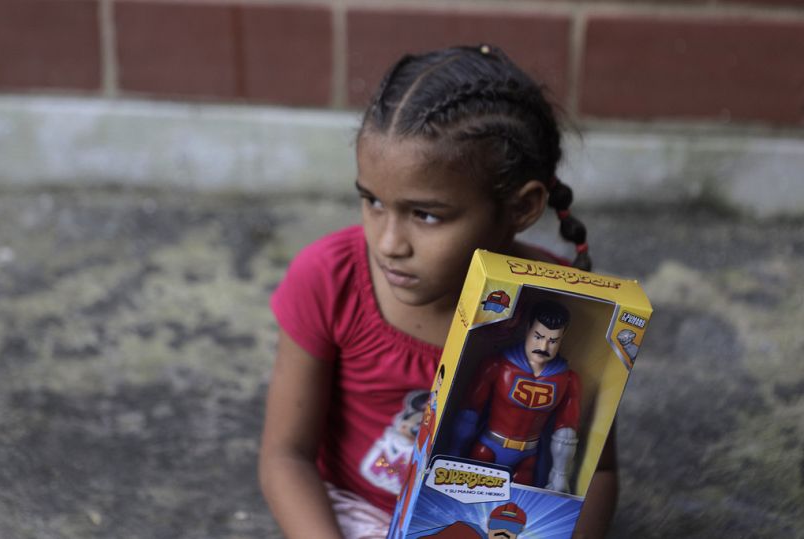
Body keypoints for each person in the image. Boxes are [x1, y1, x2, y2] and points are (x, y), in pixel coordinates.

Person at [258, 44, 617, 539]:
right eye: (372, 201)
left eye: (426, 215)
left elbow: (593, 472)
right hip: (350, 515)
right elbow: (285, 456)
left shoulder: (561, 311)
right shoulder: (328, 278)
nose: (388, 243)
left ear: (520, 208)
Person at [450, 300, 580, 492]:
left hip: (528, 457)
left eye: (553, 341)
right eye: (538, 337)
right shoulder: (497, 366)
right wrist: (453, 453)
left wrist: (560, 475)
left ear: (563, 338)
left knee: (519, 504)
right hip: (488, 448)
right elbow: (470, 412)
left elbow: (566, 431)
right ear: (527, 329)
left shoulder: (568, 379)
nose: (543, 346)